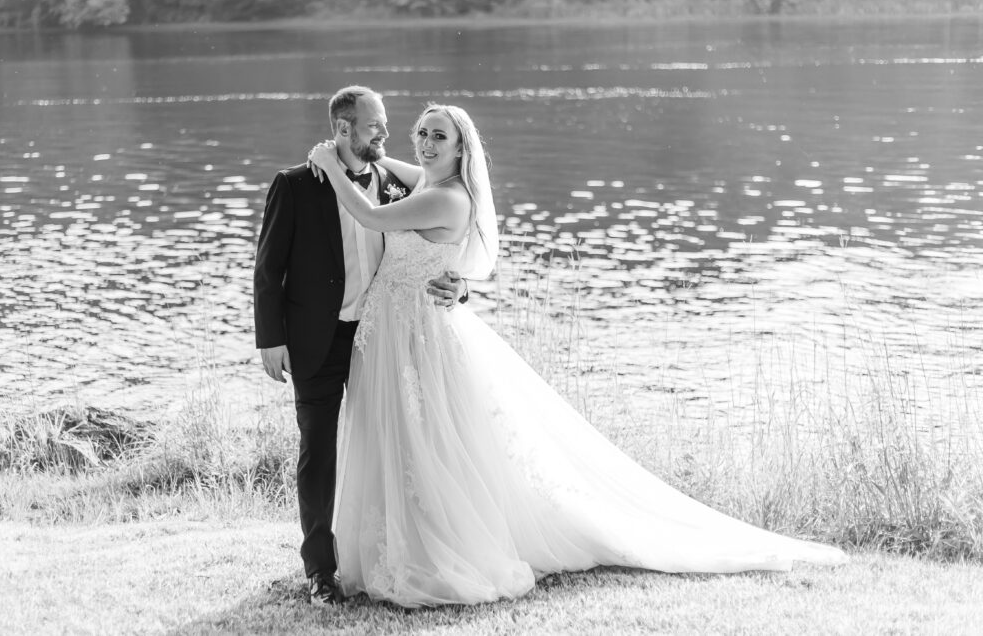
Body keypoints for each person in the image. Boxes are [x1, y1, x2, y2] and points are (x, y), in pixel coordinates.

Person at [307, 103, 848, 609]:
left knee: (424, 441)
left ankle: (433, 547)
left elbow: (372, 217)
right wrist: (360, 152)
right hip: (396, 331)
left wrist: (330, 164)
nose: (425, 143)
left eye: (438, 136)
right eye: (420, 133)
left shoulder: (446, 198)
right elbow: (389, 169)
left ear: (461, 149)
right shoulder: (429, 180)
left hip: (415, 334)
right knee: (403, 438)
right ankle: (396, 542)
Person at [253, 86, 468, 607]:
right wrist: (271, 340)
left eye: (389, 125)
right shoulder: (295, 185)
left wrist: (460, 286)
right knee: (319, 451)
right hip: (317, 340)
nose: (388, 135)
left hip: (384, 339)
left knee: (392, 443)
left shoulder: (396, 180)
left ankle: (396, 552)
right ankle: (320, 571)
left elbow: (445, 240)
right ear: (344, 129)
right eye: (376, 126)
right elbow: (268, 268)